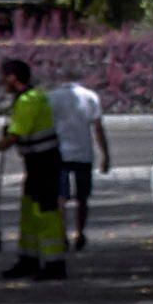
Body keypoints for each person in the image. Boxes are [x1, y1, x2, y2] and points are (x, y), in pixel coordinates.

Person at [0, 60, 65, 279]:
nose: (1, 81)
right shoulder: (28, 98)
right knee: (29, 211)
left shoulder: (29, 100)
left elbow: (13, 137)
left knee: (45, 213)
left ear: (12, 77)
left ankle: (55, 264)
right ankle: (28, 259)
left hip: (44, 164)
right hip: (35, 164)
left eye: (4, 76)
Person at [49, 69, 101, 248]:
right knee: (82, 197)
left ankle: (61, 232)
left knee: (60, 197)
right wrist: (105, 154)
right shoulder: (90, 97)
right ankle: (80, 233)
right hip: (83, 153)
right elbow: (98, 127)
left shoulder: (51, 97)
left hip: (59, 152)